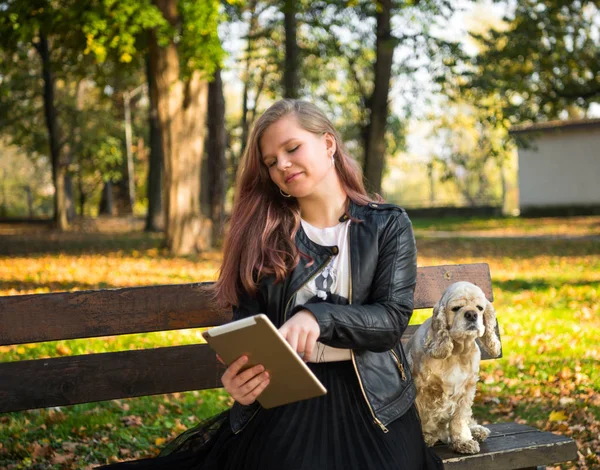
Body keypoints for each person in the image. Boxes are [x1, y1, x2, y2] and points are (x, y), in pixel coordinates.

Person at [97, 99, 444, 469]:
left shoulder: (388, 225)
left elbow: (390, 321)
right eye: (270, 161)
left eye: (292, 148)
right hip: (286, 399)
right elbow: (249, 330)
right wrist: (241, 379)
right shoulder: (263, 235)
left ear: (328, 144)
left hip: (376, 404)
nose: (282, 165)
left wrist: (317, 318)